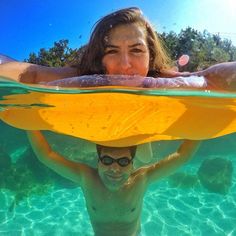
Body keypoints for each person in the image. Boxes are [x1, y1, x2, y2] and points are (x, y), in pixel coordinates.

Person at [27, 130, 200, 236]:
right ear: (98, 161)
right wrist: (28, 122)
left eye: (123, 162)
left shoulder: (141, 179)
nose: (115, 169)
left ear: (132, 164)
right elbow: (46, 155)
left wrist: (205, 127)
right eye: (108, 160)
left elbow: (181, 156)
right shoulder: (87, 178)